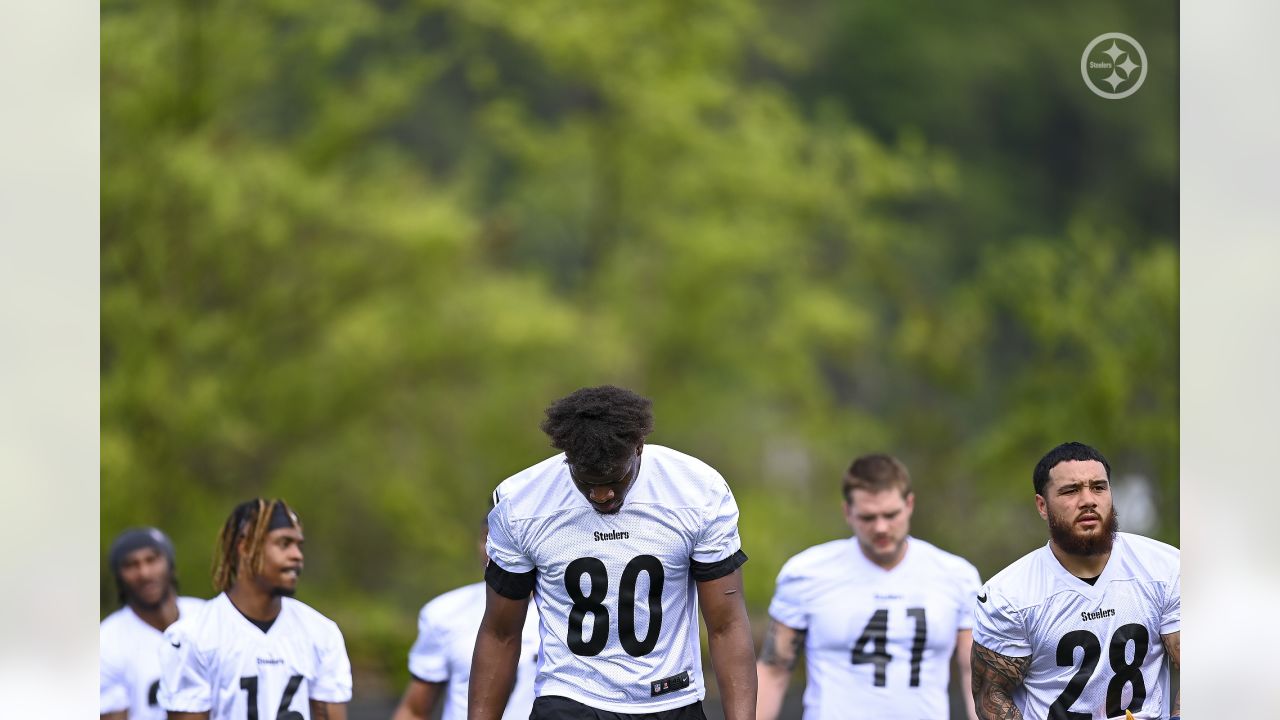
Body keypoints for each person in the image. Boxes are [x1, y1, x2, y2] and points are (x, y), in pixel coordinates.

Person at [468, 385, 757, 720]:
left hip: (668, 698)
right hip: (569, 698)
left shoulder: (697, 491)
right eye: (587, 482)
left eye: (614, 480)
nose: (602, 495)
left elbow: (726, 624)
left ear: (639, 449)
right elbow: (500, 632)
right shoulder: (522, 503)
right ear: (568, 459)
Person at [756, 453, 981, 720]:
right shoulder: (807, 573)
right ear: (847, 512)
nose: (881, 527)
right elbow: (774, 669)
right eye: (868, 517)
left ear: (909, 504)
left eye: (890, 514)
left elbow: (975, 674)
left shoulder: (956, 576)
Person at [970, 442, 1181, 720]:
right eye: (1071, 490)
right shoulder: (1010, 595)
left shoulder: (1164, 568)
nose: (1088, 500)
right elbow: (991, 695)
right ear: (1042, 506)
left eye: (1098, 487)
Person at [158, 498, 353, 720]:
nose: (297, 555)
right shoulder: (192, 636)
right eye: (284, 543)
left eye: (299, 545)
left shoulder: (321, 632)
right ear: (246, 547)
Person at [391, 519, 541, 720]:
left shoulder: (569, 614)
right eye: (487, 537)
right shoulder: (446, 611)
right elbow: (414, 711)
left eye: (508, 539)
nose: (493, 547)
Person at [100, 527, 207, 720]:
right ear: (118, 577)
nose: (144, 573)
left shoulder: (207, 617)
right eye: (131, 565)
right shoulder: (106, 641)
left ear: (171, 564)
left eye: (152, 559)